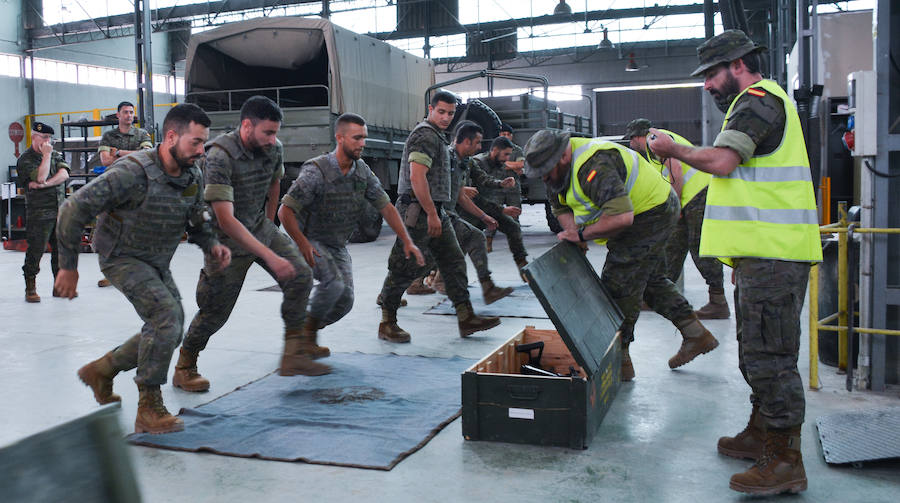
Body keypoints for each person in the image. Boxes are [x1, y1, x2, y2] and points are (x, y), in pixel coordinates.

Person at [648, 29, 821, 496]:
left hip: (774, 252)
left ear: (738, 65)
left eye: (710, 74)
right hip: (762, 252)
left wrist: (673, 148)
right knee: (755, 351)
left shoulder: (758, 100)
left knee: (771, 357)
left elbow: (723, 162)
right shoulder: (753, 103)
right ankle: (762, 432)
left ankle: (786, 460)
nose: (706, 84)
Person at [58, 104, 231, 434]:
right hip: (120, 256)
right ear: (170, 137)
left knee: (172, 326)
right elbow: (72, 208)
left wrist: (212, 245)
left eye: (203, 143)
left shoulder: (192, 174)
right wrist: (68, 267)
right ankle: (148, 407)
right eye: (195, 142)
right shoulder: (132, 172)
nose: (200, 151)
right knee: (166, 318)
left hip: (155, 259)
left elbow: (197, 220)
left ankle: (103, 370)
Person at [523, 130, 719, 383]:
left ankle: (619, 360)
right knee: (648, 280)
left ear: (562, 156)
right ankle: (696, 334)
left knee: (618, 285)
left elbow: (621, 218)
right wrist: (571, 233)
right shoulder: (555, 171)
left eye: (546, 171)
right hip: (642, 210)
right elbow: (559, 204)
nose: (544, 178)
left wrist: (582, 235)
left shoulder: (594, 165)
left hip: (651, 211)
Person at [175, 95, 329, 392]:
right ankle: (185, 365)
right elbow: (225, 219)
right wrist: (269, 255)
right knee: (215, 311)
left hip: (258, 225)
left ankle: (294, 353)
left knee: (301, 276)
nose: (273, 140)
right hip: (226, 238)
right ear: (247, 126)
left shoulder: (274, 148)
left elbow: (274, 183)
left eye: (276, 132)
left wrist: (270, 226)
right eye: (267, 132)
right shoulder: (220, 155)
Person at [278, 113, 425, 358]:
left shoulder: (362, 171)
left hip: (337, 244)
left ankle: (302, 329)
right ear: (340, 138)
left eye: (364, 138)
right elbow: (285, 212)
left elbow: (386, 207)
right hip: (311, 239)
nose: (362, 143)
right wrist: (302, 244)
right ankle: (304, 340)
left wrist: (408, 241)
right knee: (333, 284)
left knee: (345, 300)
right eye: (357, 138)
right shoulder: (317, 170)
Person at [377, 90, 501, 343]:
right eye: (441, 112)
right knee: (403, 267)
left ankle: (466, 317)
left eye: (451, 113)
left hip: (436, 211)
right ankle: (387, 322)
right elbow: (417, 177)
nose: (446, 117)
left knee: (454, 260)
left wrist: (437, 212)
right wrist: (432, 214)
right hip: (418, 213)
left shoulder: (437, 136)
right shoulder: (424, 135)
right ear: (430, 109)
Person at [625, 118, 729, 319]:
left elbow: (676, 171)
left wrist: (676, 206)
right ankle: (662, 297)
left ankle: (718, 301)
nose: (630, 145)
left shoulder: (655, 140)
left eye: (630, 139)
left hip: (697, 195)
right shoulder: (651, 147)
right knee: (673, 246)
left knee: (699, 247)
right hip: (688, 197)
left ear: (638, 136)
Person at [440, 120, 515, 304]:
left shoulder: (464, 161)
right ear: (466, 141)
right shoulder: (445, 159)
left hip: (449, 214)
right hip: (434, 213)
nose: (481, 147)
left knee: (472, 239)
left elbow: (463, 193)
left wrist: (484, 216)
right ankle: (390, 296)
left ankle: (482, 292)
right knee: (420, 257)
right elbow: (432, 186)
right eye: (478, 143)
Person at [96, 101, 155, 287]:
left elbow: (148, 155)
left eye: (131, 112)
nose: (129, 115)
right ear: (118, 115)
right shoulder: (108, 136)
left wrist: (119, 152)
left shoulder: (142, 134)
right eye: (125, 112)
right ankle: (112, 273)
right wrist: (134, 153)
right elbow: (105, 160)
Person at [463, 136, 530, 281]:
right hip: (471, 210)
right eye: (505, 154)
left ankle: (522, 265)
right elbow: (474, 196)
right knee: (458, 243)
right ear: (494, 150)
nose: (507, 159)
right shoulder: (477, 163)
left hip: (489, 207)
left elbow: (489, 182)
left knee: (513, 227)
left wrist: (502, 184)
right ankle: (432, 276)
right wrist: (501, 210)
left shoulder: (498, 164)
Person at [19, 122, 69, 303]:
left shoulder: (55, 154)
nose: (48, 142)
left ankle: (58, 286)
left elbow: (64, 175)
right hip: (39, 214)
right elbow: (39, 176)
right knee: (36, 251)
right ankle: (30, 287)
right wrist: (46, 156)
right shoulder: (26, 159)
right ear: (34, 137)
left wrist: (46, 184)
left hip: (59, 210)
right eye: (44, 138)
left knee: (60, 252)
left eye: (50, 138)